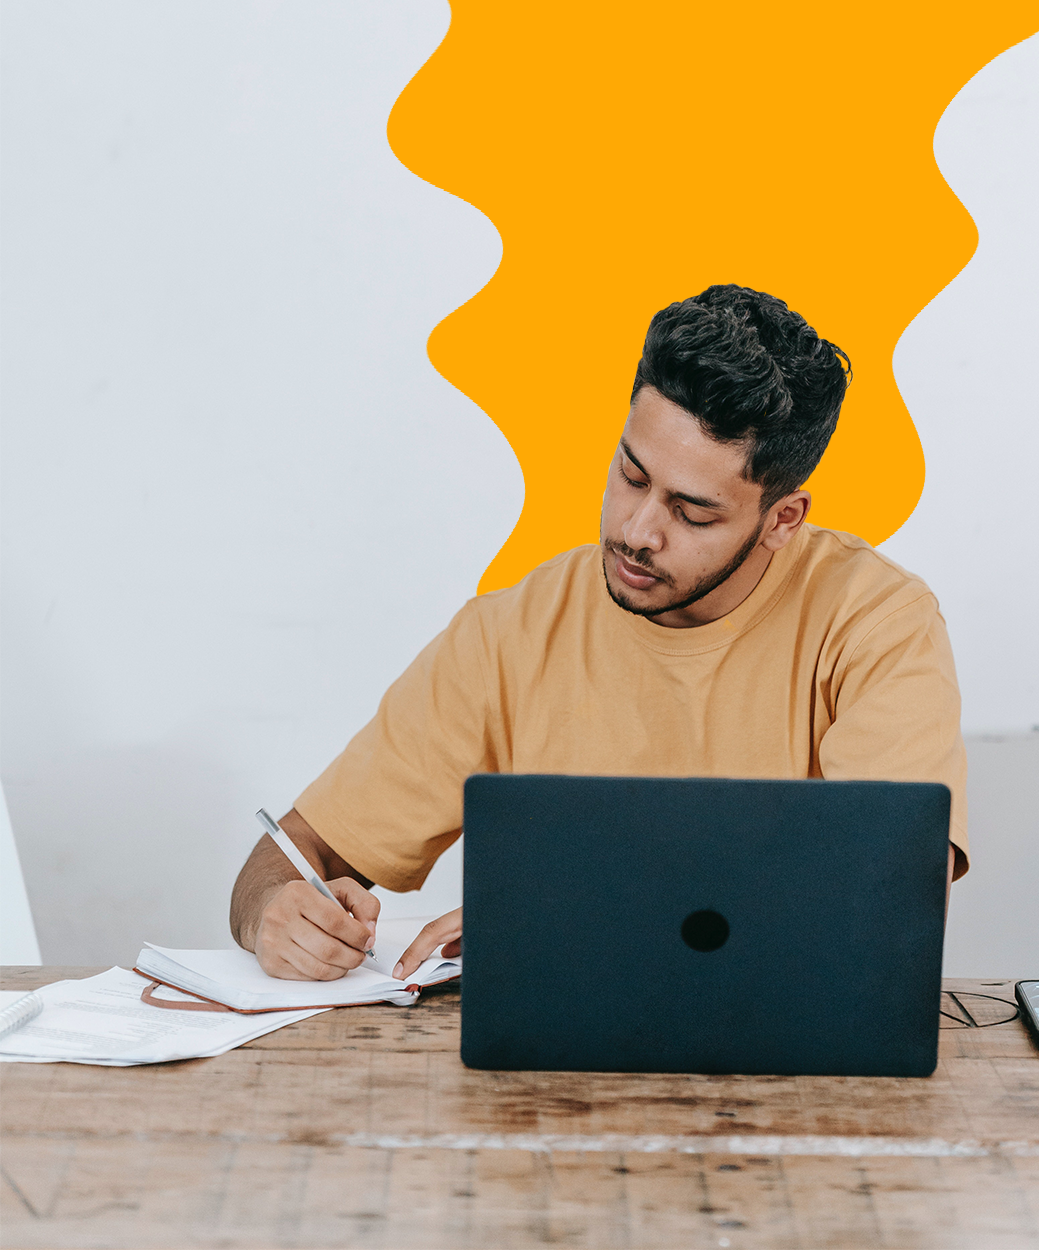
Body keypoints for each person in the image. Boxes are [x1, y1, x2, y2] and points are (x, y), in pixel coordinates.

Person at [230, 284, 969, 981]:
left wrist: (554, 924)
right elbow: (293, 853)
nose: (638, 529)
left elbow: (892, 895)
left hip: (793, 1076)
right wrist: (274, 909)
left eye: (694, 512)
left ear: (782, 519)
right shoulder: (511, 631)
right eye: (631, 473)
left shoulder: (877, 623)